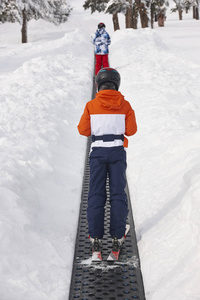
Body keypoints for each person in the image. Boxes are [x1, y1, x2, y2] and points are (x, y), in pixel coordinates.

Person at [77, 68, 137, 253]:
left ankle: (95, 236)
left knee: (96, 194)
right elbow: (131, 130)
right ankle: (118, 236)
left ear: (98, 85)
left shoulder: (91, 105)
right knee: (118, 193)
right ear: (117, 84)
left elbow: (83, 130)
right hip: (117, 152)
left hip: (98, 153)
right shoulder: (125, 105)